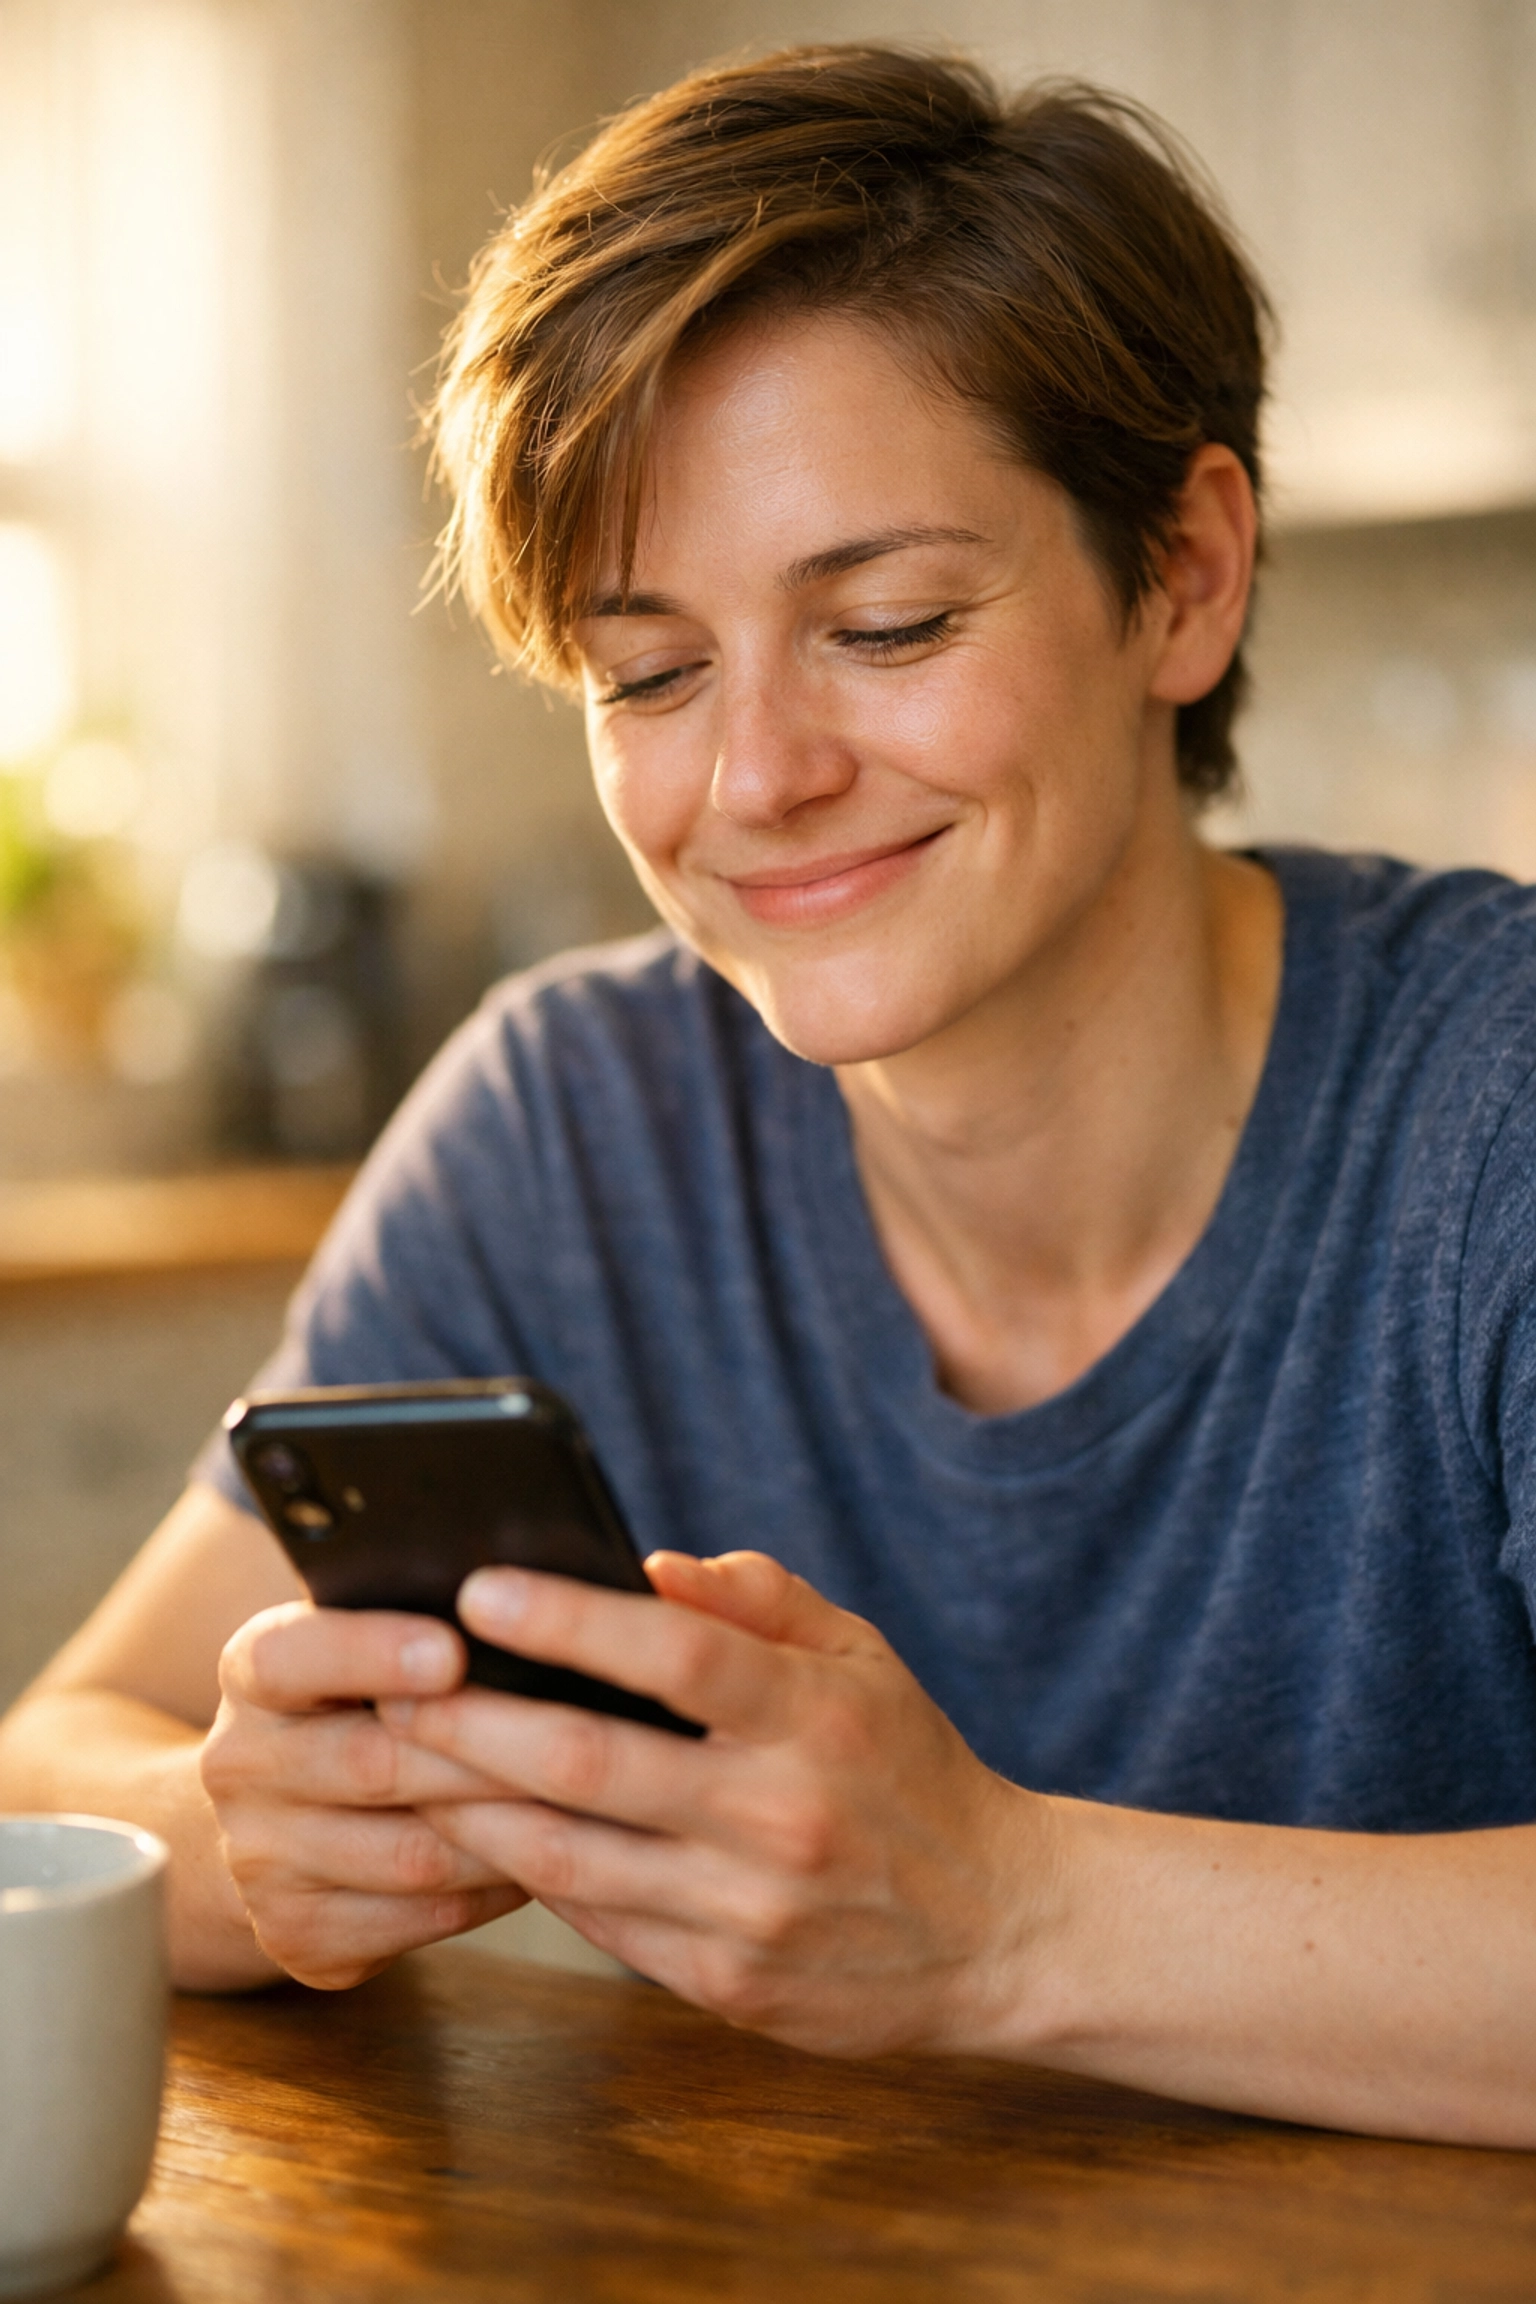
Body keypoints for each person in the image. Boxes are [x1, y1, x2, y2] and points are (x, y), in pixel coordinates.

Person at [5, 42, 1536, 2148]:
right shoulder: (575, 1120)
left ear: (1184, 573)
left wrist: (1006, 1916)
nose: (755, 778)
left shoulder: (1493, 1112)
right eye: (649, 672)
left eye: (887, 625)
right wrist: (254, 1830)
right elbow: (54, 1760)